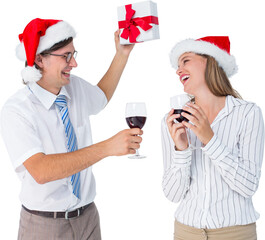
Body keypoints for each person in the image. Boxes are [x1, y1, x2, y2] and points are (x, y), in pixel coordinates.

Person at [0, 18, 143, 239]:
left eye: (73, 55)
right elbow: (41, 171)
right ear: (39, 59)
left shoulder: (73, 86)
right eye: (65, 56)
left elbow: (101, 96)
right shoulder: (17, 109)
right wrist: (107, 148)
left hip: (88, 218)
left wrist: (121, 55)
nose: (73, 63)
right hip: (44, 225)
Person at [161, 36, 264, 240]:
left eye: (186, 60)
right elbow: (172, 195)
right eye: (177, 65)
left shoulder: (247, 114)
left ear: (210, 61)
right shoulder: (173, 120)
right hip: (186, 233)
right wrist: (181, 150)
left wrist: (210, 140)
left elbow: (248, 186)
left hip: (235, 235)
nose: (178, 70)